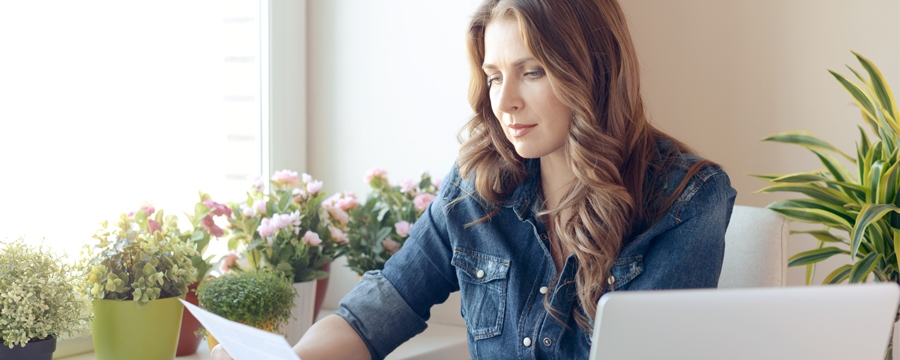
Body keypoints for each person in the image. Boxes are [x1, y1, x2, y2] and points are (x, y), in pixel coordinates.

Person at [213, 0, 736, 359]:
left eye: (532, 72)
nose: (504, 101)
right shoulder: (477, 186)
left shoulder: (687, 199)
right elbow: (373, 316)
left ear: (592, 72)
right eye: (493, 76)